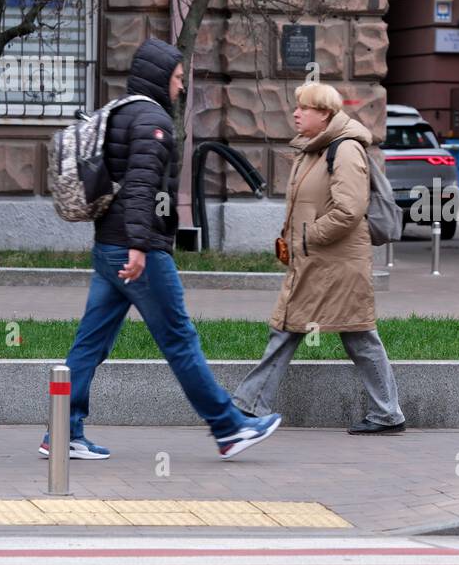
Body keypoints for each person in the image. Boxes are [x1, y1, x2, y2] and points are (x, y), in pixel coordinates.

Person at [40, 38, 281, 460]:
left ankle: (62, 432)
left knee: (90, 342)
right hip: (140, 252)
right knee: (179, 339)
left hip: (108, 245)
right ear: (160, 76)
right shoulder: (153, 121)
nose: (181, 86)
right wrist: (138, 245)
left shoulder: (120, 111)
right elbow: (140, 186)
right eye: (178, 77)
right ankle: (229, 428)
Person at [232, 82, 407, 435]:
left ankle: (248, 405)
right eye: (297, 107)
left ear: (325, 114)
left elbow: (349, 210)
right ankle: (387, 412)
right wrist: (294, 240)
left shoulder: (345, 150)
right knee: (307, 329)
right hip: (318, 261)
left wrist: (306, 237)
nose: (296, 113)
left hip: (337, 264)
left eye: (304, 108)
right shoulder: (313, 149)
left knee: (328, 331)